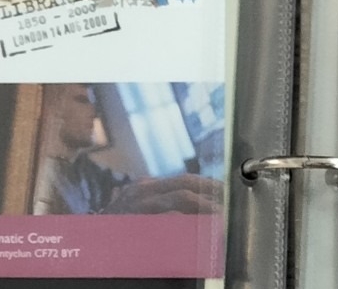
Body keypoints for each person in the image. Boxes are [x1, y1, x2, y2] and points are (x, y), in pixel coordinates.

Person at [37, 86, 222, 216]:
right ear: (51, 109)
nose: (94, 113)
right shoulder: (37, 178)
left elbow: (130, 186)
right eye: (82, 100)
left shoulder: (83, 167)